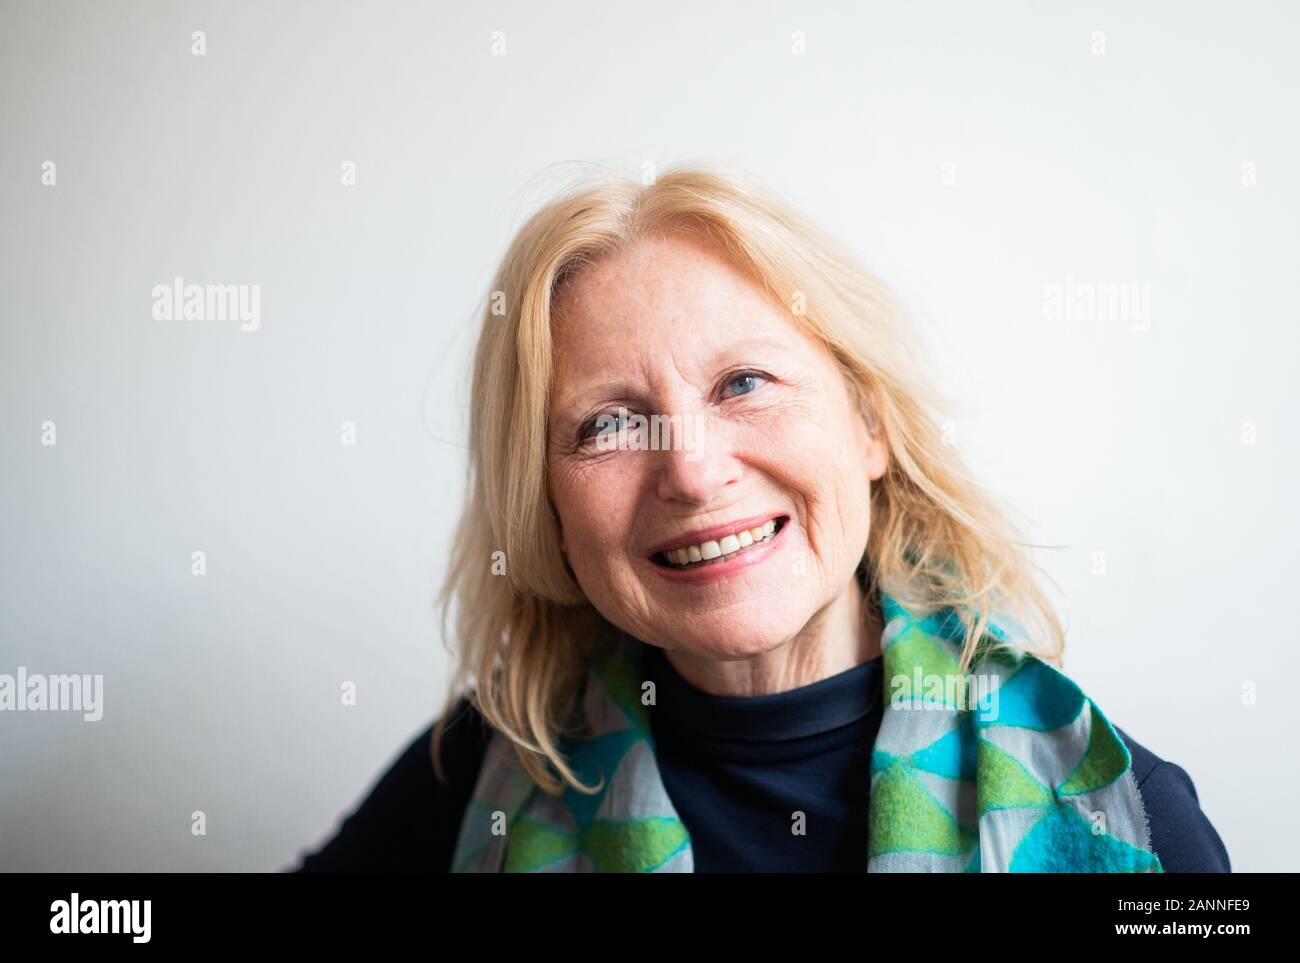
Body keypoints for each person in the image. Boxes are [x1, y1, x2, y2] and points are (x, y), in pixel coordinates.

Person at [294, 164, 1230, 873]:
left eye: (744, 383)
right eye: (609, 424)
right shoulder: (488, 769)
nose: (694, 473)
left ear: (870, 425)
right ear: (547, 509)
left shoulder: (1124, 819)